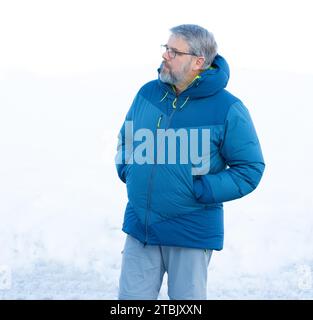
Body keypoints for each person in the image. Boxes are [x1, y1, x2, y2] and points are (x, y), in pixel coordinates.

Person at [115, 24, 265, 300]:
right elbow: (126, 138)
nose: (165, 56)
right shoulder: (147, 93)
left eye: (174, 51)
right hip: (140, 227)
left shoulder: (227, 107)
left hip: (190, 230)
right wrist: (129, 169)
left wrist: (201, 190)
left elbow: (250, 169)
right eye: (166, 48)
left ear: (198, 61)